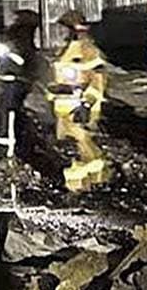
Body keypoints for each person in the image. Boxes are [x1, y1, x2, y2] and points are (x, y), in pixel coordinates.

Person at [46, 11, 109, 191]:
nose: (61, 32)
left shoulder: (87, 49)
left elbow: (98, 78)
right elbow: (60, 76)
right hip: (64, 107)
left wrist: (87, 103)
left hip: (80, 106)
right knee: (71, 147)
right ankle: (81, 185)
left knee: (83, 144)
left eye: (64, 28)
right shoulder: (66, 49)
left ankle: (91, 184)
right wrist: (52, 92)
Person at [0, 10, 42, 159]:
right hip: (13, 82)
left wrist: (3, 60)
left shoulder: (20, 37)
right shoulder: (21, 37)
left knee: (8, 114)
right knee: (8, 113)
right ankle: (8, 149)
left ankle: (7, 152)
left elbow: (17, 61)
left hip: (14, 83)